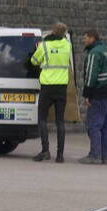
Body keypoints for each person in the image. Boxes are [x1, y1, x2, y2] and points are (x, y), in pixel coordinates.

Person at [30, 22, 72, 162]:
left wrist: (40, 46)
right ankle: (60, 155)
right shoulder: (67, 45)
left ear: (53, 32)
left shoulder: (45, 46)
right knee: (60, 121)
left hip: (47, 86)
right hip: (61, 87)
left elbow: (34, 61)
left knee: (42, 119)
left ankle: (45, 150)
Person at [78, 29, 107, 165]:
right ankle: (105, 156)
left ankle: (94, 155)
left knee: (94, 124)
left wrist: (87, 95)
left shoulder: (94, 53)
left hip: (100, 91)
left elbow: (91, 75)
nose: (84, 41)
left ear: (91, 38)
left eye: (85, 38)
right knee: (106, 126)